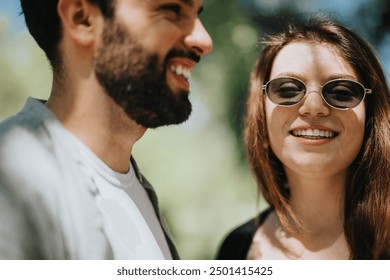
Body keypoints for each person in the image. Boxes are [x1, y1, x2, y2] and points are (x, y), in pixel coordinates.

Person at [0, 0, 212, 259]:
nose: (204, 40)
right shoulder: (12, 179)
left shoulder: (139, 195)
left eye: (196, 14)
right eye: (171, 10)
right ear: (82, 18)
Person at [217, 16, 390, 260]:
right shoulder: (236, 248)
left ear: (372, 118)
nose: (313, 107)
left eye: (341, 91)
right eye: (287, 89)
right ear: (261, 119)